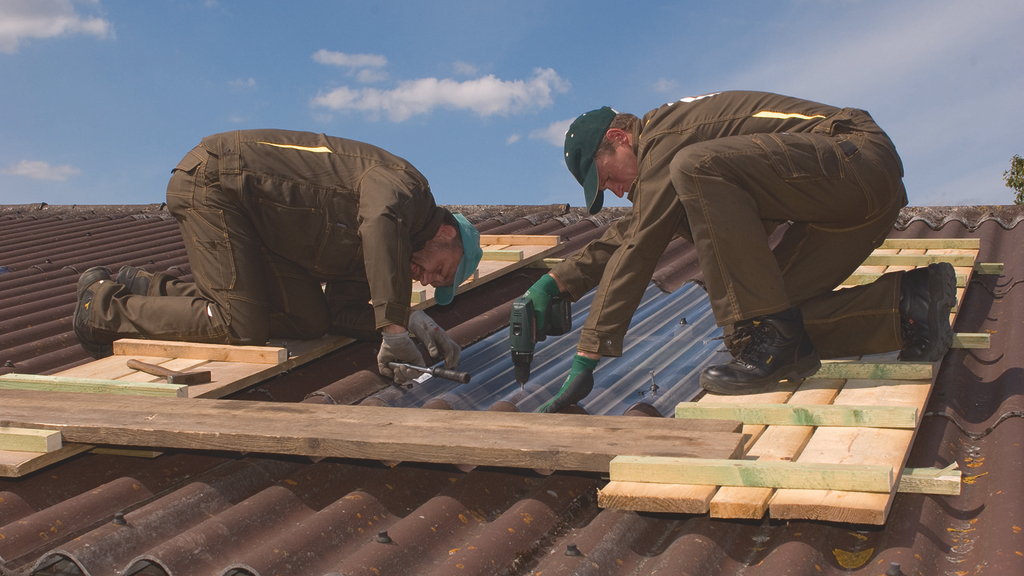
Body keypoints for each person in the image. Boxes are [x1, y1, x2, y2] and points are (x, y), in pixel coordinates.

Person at [520, 91, 956, 412]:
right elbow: (635, 228)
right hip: (846, 209)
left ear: (619, 138)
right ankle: (909, 306)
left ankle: (786, 342)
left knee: (693, 166)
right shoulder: (657, 165)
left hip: (854, 158)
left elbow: (639, 246)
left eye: (607, 178)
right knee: (754, 331)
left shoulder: (666, 139)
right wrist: (557, 281)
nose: (615, 193)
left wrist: (587, 356)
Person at [73, 129, 482, 384]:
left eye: (433, 285)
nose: (425, 280)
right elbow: (379, 219)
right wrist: (393, 327)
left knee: (309, 320)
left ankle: (151, 287)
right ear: (446, 234)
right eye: (439, 272)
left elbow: (340, 312)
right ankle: (101, 308)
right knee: (239, 325)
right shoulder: (407, 190)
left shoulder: (386, 247)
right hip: (217, 185)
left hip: (260, 230)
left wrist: (411, 320)